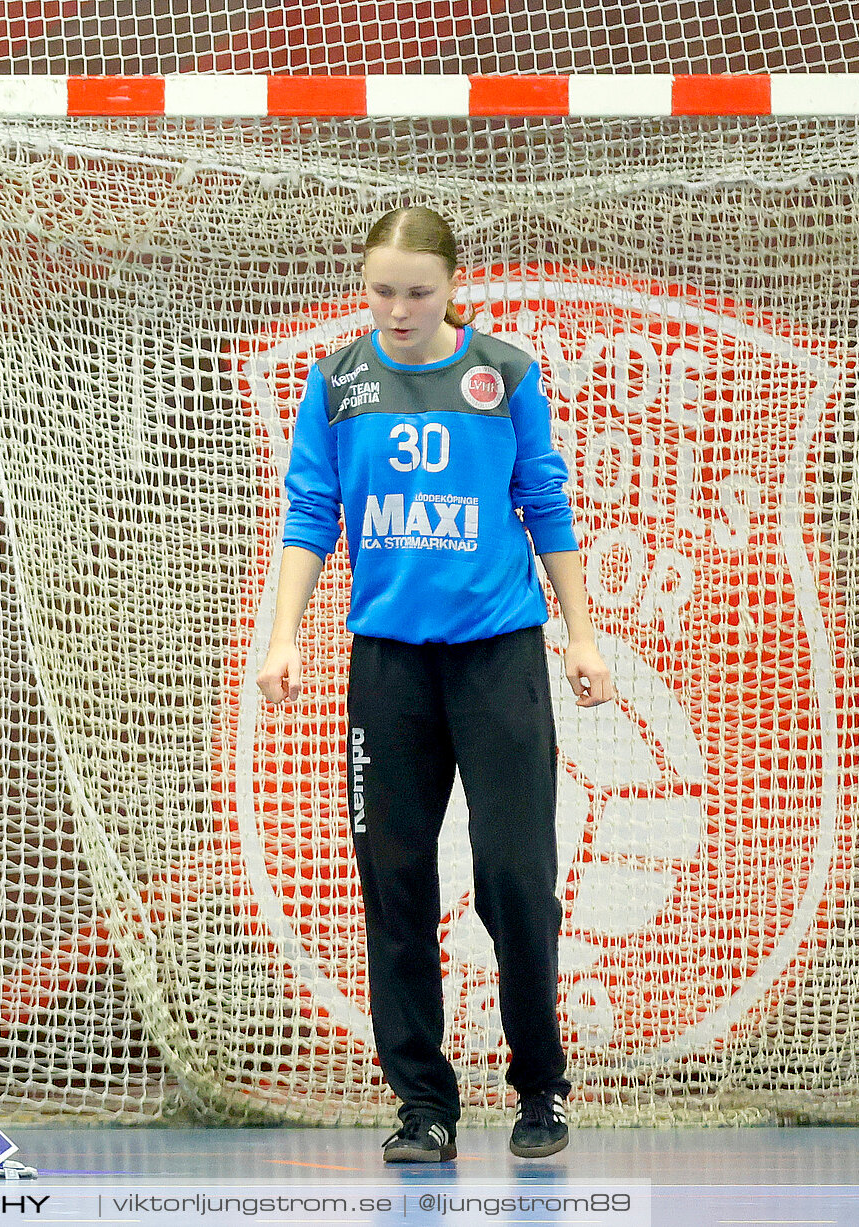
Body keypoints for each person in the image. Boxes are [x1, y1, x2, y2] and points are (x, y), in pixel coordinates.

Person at [256, 208, 615, 1163]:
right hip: (389, 668)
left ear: (454, 284)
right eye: (382, 290)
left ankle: (540, 1087)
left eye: (419, 290)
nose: (399, 307)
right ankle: (424, 1103)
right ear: (363, 284)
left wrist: (581, 634)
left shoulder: (507, 376)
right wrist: (282, 635)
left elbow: (543, 498)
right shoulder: (337, 383)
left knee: (514, 875)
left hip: (497, 658)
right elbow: (311, 511)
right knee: (396, 880)